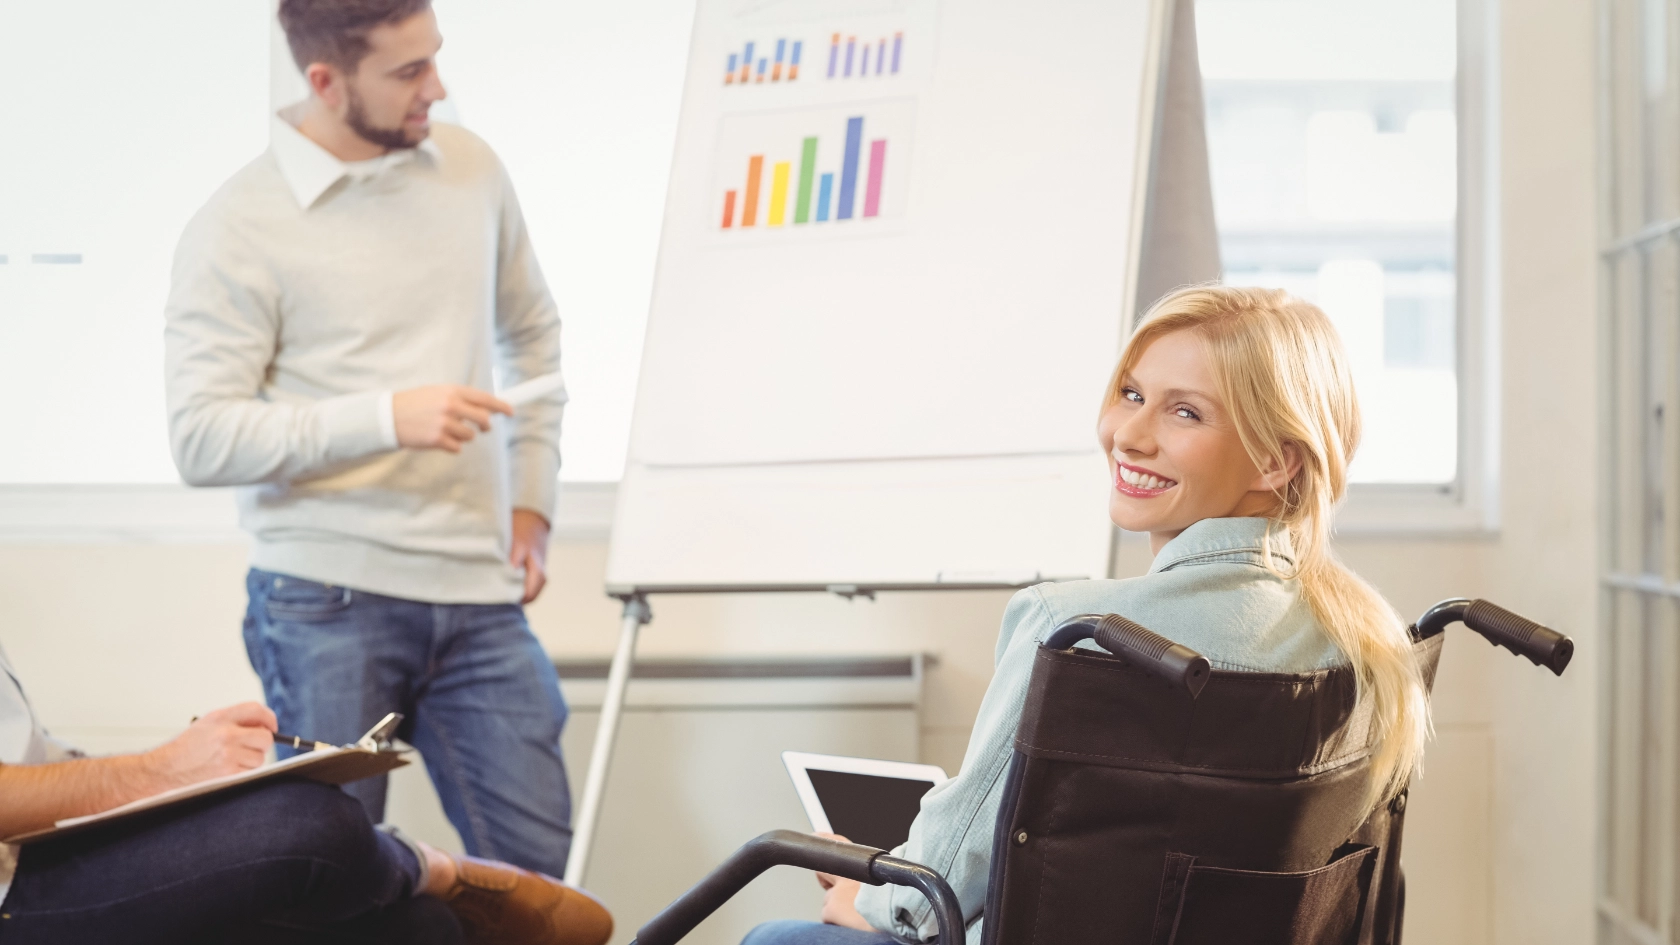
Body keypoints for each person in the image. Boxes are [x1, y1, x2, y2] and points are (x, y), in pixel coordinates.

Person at [742, 285, 1431, 945]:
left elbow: (935, 893)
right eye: (1132, 394)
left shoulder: (1073, 629)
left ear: (1276, 461)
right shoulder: (1365, 643)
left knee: (774, 936)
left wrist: (865, 894)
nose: (1128, 435)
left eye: (1183, 412)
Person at [163, 0, 576, 877]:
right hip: (323, 600)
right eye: (407, 71)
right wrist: (387, 416)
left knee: (542, 884)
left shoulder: (471, 169)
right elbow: (201, 437)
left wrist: (533, 499)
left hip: (478, 597)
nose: (438, 86)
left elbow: (533, 336)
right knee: (332, 884)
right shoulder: (237, 224)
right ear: (325, 81)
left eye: (435, 58)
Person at [0, 644, 611, 944]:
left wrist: (178, 785)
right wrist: (156, 771)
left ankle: (421, 882)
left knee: (420, 930)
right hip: (12, 893)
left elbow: (26, 752)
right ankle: (435, 868)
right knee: (313, 824)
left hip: (39, 851)